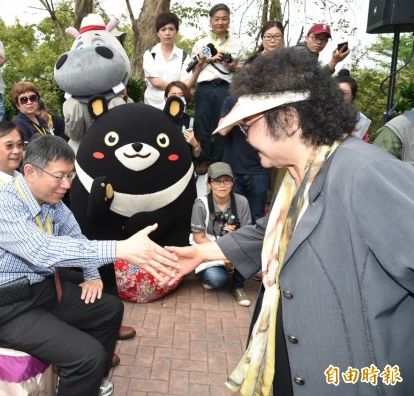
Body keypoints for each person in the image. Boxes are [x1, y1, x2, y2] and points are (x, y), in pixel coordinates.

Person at [165, 48, 414, 396]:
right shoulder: (304, 174)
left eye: (248, 126)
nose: (246, 138)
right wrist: (205, 253)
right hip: (295, 361)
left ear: (290, 119)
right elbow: (277, 229)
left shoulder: (363, 172)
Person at [0, 135, 180, 396]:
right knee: (87, 355)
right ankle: (85, 374)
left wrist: (92, 274)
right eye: (59, 176)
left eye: (70, 176)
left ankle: (89, 383)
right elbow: (42, 251)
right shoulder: (1, 206)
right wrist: (120, 248)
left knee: (109, 308)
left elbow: (76, 238)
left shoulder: (51, 201)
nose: (67, 185)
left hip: (42, 292)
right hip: (7, 310)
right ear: (30, 172)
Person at [217, 21, 284, 221]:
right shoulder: (231, 100)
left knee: (256, 217)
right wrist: (241, 108)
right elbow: (222, 131)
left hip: (259, 169)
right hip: (234, 169)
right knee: (233, 217)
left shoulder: (270, 103)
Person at [191, 3, 246, 175]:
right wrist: (209, 59)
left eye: (224, 19)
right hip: (204, 87)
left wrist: (233, 65)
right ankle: (204, 161)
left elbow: (245, 69)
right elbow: (193, 69)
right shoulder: (201, 43)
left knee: (224, 124)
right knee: (202, 124)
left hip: (226, 88)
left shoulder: (237, 44)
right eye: (217, 19)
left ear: (229, 21)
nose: (220, 22)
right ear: (210, 21)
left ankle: (221, 162)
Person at [190, 162, 252, 306]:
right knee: (216, 280)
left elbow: (248, 234)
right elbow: (198, 237)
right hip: (210, 246)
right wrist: (224, 253)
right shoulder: (201, 204)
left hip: (235, 246)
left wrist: (236, 234)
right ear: (208, 184)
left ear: (232, 182)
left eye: (227, 180)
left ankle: (238, 287)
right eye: (217, 181)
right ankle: (210, 274)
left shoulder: (241, 202)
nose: (222, 185)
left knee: (254, 249)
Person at [142, 12, 201, 110]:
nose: (167, 33)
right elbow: (155, 82)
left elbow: (187, 84)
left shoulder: (184, 56)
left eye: (171, 29)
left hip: (177, 107)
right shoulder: (150, 54)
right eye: (163, 29)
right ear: (158, 33)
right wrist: (178, 89)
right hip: (153, 106)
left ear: (176, 32)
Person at [164, 81, 201, 159]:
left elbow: (197, 154)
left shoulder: (191, 122)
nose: (177, 98)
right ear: (166, 97)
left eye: (181, 95)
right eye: (173, 94)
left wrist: (195, 144)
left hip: (184, 166)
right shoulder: (158, 119)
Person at [335, 69, 372, 140]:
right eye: (336, 92)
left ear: (353, 96)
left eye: (344, 93)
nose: (340, 96)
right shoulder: (320, 115)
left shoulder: (360, 120)